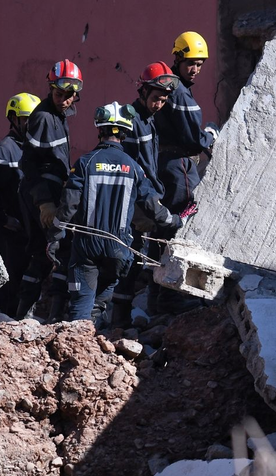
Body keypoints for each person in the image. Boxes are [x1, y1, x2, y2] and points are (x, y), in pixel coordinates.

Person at [51, 103, 186, 325]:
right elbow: (154, 207)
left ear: (99, 130)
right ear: (125, 133)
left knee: (81, 304)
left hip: (87, 246)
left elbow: (68, 206)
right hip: (118, 249)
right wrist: (175, 221)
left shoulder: (86, 163)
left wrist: (54, 237)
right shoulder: (134, 167)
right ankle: (94, 339)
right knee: (101, 300)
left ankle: (77, 346)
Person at [151, 31, 218, 313]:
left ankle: (157, 296)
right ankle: (168, 296)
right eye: (190, 62)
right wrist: (209, 139)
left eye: (200, 64)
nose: (195, 69)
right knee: (179, 223)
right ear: (177, 59)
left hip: (166, 163)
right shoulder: (178, 91)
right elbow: (192, 136)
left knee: (163, 228)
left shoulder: (175, 89)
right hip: (178, 166)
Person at [113, 62, 180, 326]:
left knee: (136, 259)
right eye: (155, 99)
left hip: (146, 198)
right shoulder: (132, 122)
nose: (159, 104)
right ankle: (117, 319)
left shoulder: (148, 120)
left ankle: (123, 316)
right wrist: (148, 203)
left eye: (163, 100)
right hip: (135, 203)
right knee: (128, 259)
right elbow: (134, 169)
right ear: (142, 92)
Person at [16, 59, 83, 321]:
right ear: (50, 88)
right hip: (40, 194)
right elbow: (29, 163)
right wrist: (45, 202)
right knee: (59, 249)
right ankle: (53, 316)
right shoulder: (44, 117)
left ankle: (23, 314)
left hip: (45, 191)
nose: (65, 100)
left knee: (40, 254)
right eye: (59, 94)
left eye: (69, 96)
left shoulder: (58, 115)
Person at [0, 92, 40, 314]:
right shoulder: (6, 148)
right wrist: (1, 218)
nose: (31, 125)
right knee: (7, 289)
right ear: (14, 119)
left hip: (26, 233)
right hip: (8, 235)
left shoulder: (32, 149)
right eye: (27, 119)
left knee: (24, 285)